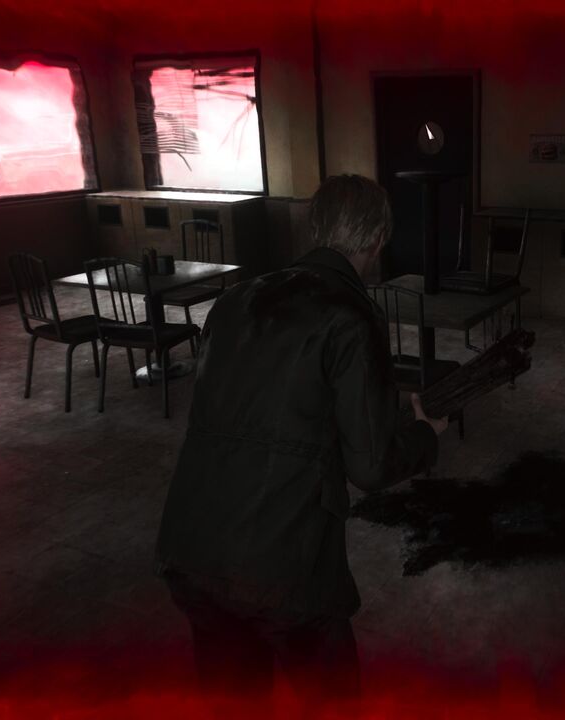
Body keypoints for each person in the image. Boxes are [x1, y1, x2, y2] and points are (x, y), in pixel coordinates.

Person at [154, 174, 449, 704]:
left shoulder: (234, 300)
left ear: (316, 228)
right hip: (283, 568)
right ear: (378, 238)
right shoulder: (351, 316)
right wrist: (425, 436)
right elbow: (371, 466)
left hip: (191, 548)